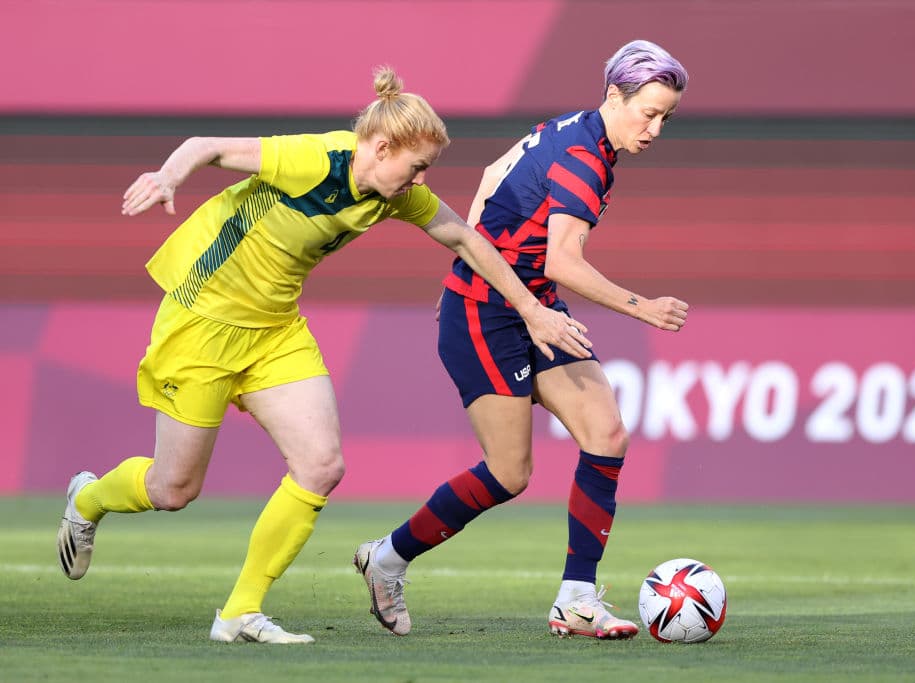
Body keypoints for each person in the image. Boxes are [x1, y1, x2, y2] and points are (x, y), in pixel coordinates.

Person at [55, 67, 592, 645]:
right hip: (203, 322)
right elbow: (203, 147)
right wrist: (167, 178)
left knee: (321, 465)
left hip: (275, 331)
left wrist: (533, 312)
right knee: (172, 491)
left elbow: (465, 238)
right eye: (418, 166)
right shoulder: (316, 159)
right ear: (382, 147)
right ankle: (88, 497)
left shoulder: (395, 195)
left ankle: (240, 613)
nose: (421, 180)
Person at [354, 40, 689, 640]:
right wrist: (646, 308)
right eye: (650, 112)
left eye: (666, 116)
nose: (656, 128)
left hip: (533, 308)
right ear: (616, 95)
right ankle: (386, 560)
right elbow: (563, 261)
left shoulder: (572, 128)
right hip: (486, 315)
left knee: (606, 435)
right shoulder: (586, 158)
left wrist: (484, 265)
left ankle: (577, 599)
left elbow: (490, 178)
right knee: (509, 473)